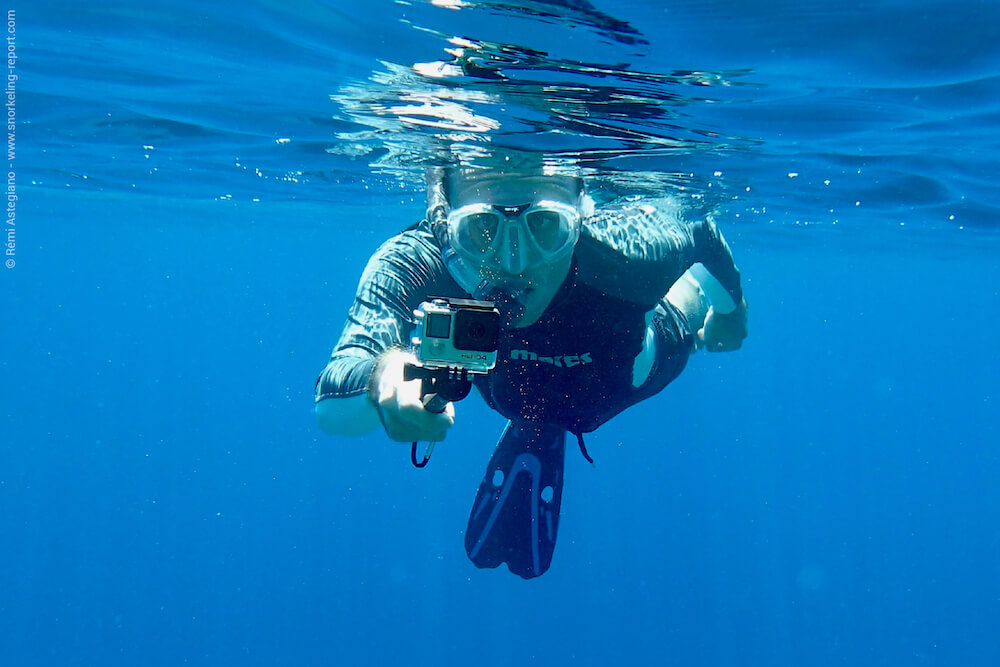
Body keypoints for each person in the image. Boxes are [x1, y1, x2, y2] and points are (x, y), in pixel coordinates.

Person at [314, 163, 748, 578]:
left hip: (626, 372)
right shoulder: (419, 262)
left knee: (683, 309)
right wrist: (384, 381)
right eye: (482, 228)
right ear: (444, 223)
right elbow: (336, 387)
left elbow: (700, 234)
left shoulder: (627, 254)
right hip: (517, 391)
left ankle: (539, 422)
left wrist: (730, 313)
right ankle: (535, 424)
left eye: (544, 224)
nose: (515, 261)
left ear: (580, 215)